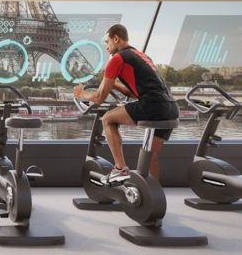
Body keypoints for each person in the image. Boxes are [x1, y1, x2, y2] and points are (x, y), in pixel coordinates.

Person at [73, 24, 178, 184]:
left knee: (108, 119)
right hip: (170, 107)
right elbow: (132, 93)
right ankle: (152, 193)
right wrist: (112, 83)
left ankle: (120, 169)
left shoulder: (117, 58)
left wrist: (81, 94)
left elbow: (99, 97)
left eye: (107, 42)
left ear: (116, 39)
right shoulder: (141, 55)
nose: (106, 47)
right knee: (150, 153)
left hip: (152, 105)